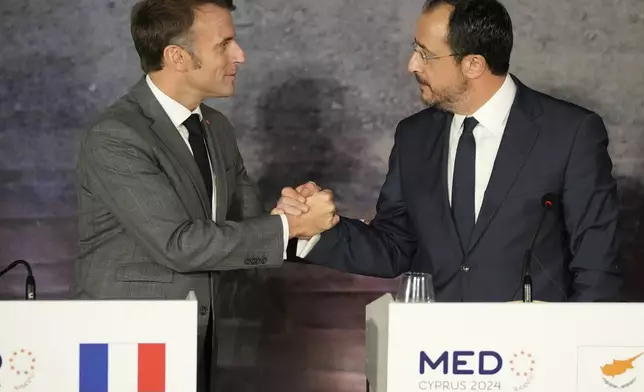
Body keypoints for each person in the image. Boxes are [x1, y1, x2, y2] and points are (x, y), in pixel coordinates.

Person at [277, 0, 622, 302]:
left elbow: (597, 264)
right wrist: (317, 229)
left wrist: (578, 356)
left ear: (473, 64)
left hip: (531, 360)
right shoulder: (414, 137)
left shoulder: (569, 133)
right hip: (437, 363)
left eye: (425, 54)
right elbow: (394, 246)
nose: (412, 64)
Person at [72, 0, 337, 390]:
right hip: (125, 348)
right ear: (177, 56)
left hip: (195, 339)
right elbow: (178, 243)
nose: (240, 55)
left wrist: (289, 213)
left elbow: (244, 228)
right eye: (224, 44)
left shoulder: (216, 128)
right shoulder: (117, 137)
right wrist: (286, 226)